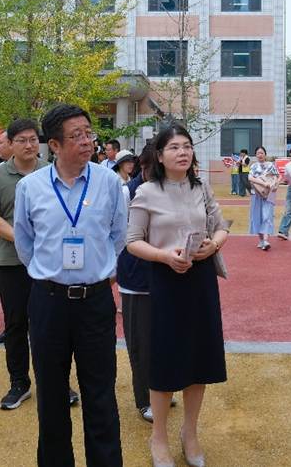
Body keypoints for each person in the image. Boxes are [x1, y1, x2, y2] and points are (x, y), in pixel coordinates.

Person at [13, 104, 128, 467]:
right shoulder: (30, 187)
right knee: (51, 396)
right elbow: (25, 243)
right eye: (76, 136)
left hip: (95, 301)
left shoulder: (109, 182)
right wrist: (50, 273)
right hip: (48, 301)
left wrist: (98, 269)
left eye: (88, 133)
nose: (87, 141)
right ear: (54, 145)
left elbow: (118, 235)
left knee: (100, 395)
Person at [126, 125, 231, 467]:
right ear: (159, 155)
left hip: (201, 280)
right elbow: (132, 241)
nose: (182, 152)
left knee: (199, 359)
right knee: (166, 360)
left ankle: (190, 432)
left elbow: (221, 227)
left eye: (187, 146)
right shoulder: (146, 192)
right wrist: (163, 256)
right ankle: (159, 437)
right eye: (174, 147)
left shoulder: (201, 187)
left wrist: (213, 246)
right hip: (165, 281)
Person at [0, 118, 50, 411]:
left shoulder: (50, 172)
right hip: (11, 262)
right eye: (21, 140)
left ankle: (55, 381)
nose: (29, 145)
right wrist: (22, 239)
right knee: (16, 324)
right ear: (10, 143)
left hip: (47, 262)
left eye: (33, 139)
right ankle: (19, 382)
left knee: (49, 324)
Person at [118, 142, 157, 423]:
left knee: (163, 338)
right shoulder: (127, 192)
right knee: (140, 342)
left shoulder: (172, 189)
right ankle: (144, 399)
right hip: (135, 276)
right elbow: (118, 234)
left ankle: (160, 389)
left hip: (166, 275)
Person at [248, 146, 278, 251]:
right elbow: (250, 178)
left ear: (265, 154)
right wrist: (263, 183)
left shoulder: (270, 165)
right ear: (256, 155)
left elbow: (277, 177)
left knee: (267, 216)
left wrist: (274, 184)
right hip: (256, 194)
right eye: (258, 153)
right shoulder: (254, 166)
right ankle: (261, 240)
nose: (260, 155)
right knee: (257, 217)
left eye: (262, 153)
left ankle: (265, 240)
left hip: (268, 195)